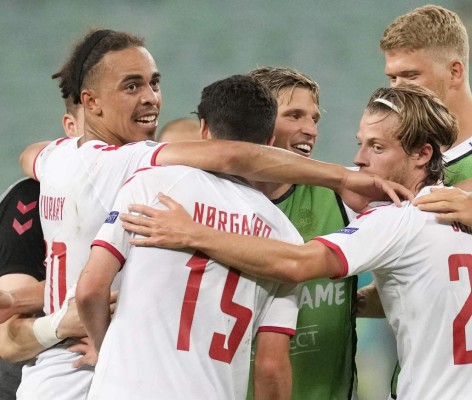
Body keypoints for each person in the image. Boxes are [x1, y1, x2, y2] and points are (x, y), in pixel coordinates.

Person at [15, 28, 412, 400]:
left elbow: (29, 156)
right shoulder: (143, 172)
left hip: (60, 375)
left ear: (203, 129)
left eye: (155, 82)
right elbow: (234, 155)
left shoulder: (64, 158)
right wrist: (344, 177)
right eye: (132, 85)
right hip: (96, 379)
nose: (152, 97)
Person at [119, 83, 472, 399]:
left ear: (422, 154)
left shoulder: (396, 220)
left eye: (376, 146)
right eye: (360, 144)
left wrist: (193, 233)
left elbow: (296, 264)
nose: (359, 160)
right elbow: (436, 290)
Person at [76, 74, 301, 400]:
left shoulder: (153, 184)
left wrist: (107, 348)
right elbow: (270, 365)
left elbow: (90, 290)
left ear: (204, 129)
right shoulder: (286, 239)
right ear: (269, 143)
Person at [377, 5, 472, 393]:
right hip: (420, 379)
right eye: (393, 77)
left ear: (455, 71)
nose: (399, 90)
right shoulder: (403, 157)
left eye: (412, 75)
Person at [245, 66, 356, 400]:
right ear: (259, 123)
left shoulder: (345, 199)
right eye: (294, 115)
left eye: (314, 119)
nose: (310, 130)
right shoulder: (213, 203)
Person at [0, 96, 84, 400]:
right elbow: (9, 342)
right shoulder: (30, 198)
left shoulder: (145, 190)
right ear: (71, 127)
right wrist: (64, 321)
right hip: (27, 381)